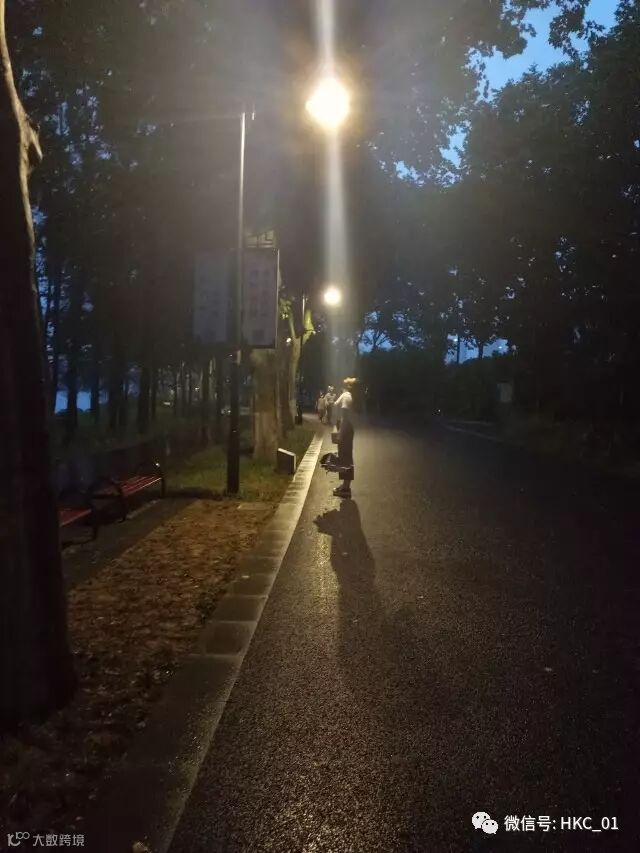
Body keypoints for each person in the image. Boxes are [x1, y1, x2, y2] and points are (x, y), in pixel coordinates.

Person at [333, 377, 356, 498]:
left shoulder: (346, 396)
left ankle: (346, 488)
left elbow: (345, 418)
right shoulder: (345, 396)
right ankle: (344, 485)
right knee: (343, 457)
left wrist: (340, 434)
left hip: (345, 430)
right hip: (345, 429)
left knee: (346, 458)